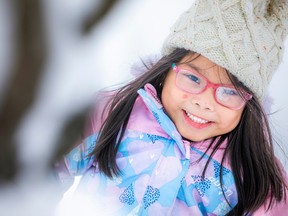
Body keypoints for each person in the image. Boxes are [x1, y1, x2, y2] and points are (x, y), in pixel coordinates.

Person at [55, 0, 288, 215]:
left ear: (249, 103)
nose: (204, 103)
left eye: (229, 92)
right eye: (193, 79)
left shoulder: (250, 171)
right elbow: (43, 168)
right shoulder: (115, 113)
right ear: (166, 70)